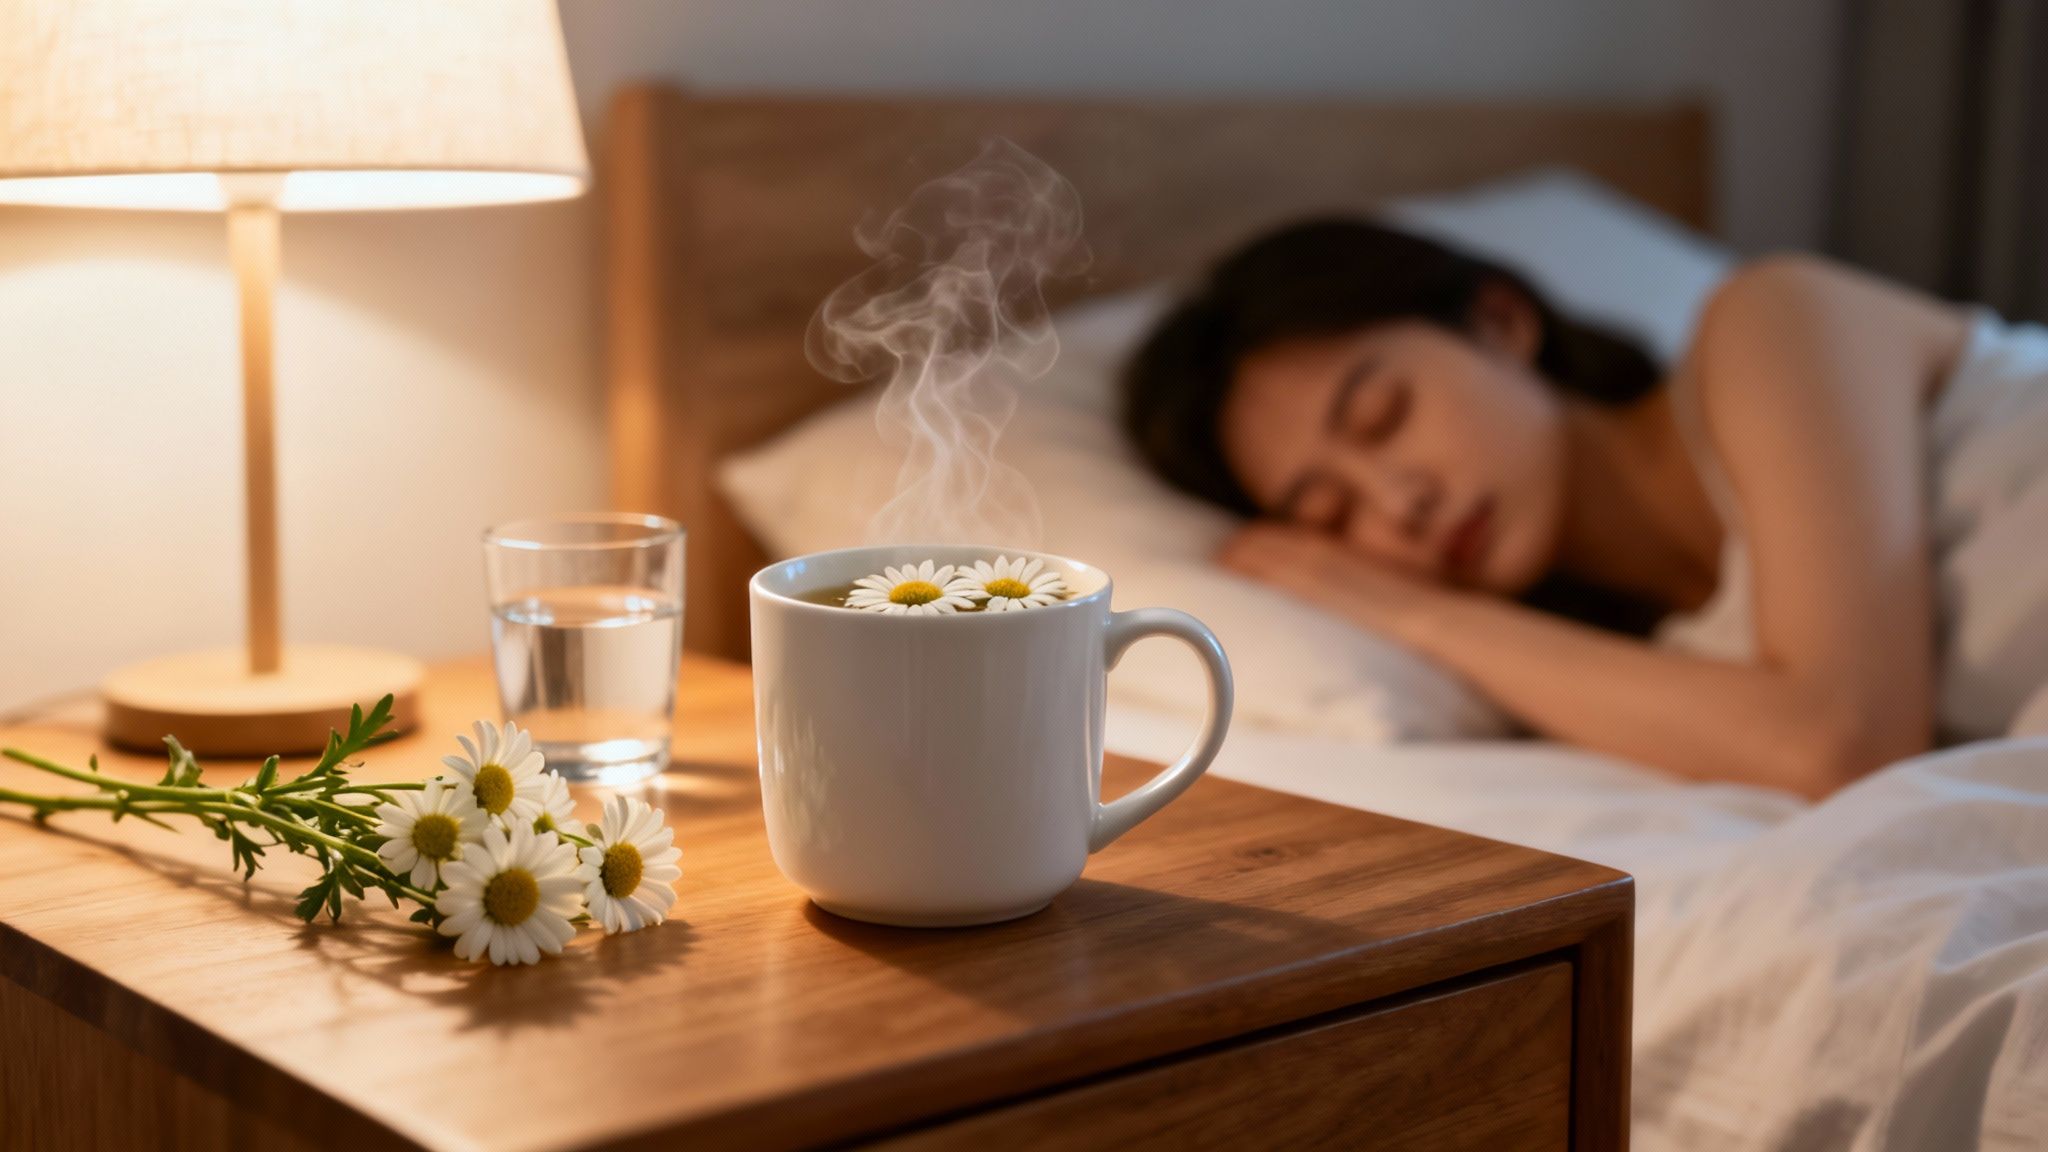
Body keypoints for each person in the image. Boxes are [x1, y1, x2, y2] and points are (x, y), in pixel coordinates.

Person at [1123, 219, 2048, 797]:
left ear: (1500, 322)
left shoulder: (1771, 324)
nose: (1398, 502)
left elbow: (1843, 741)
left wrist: (1405, 606)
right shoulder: (1654, 678)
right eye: (1329, 514)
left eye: (1384, 415)